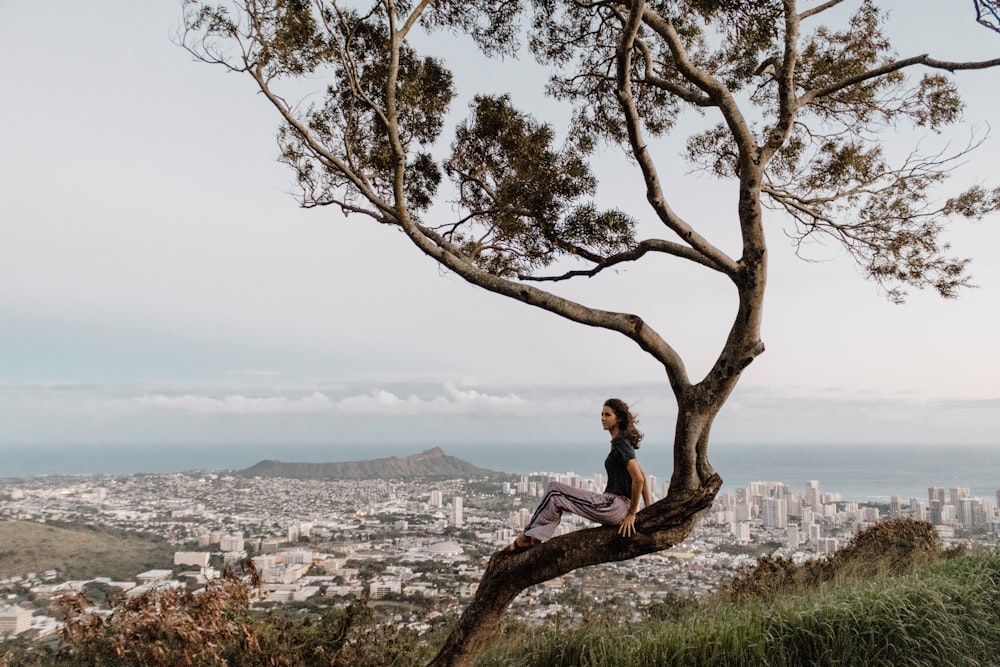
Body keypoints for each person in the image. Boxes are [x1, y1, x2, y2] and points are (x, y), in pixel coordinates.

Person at [503, 398, 652, 554]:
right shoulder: (623, 442)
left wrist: (632, 514)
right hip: (616, 506)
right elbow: (642, 475)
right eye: (601, 414)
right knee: (556, 495)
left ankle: (528, 537)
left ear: (619, 418)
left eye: (607, 415)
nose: (602, 418)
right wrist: (648, 508)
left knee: (554, 490)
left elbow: (639, 479)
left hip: (614, 505)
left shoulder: (620, 443)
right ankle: (533, 537)